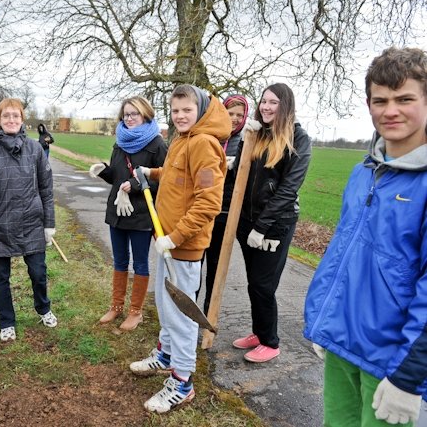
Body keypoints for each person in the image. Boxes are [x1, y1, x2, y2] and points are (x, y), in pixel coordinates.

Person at [304, 47, 427, 426]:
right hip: (343, 346)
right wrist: (326, 322)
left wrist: (410, 377)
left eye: (405, 99)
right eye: (380, 100)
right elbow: (342, 251)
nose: (390, 110)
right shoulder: (363, 172)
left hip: (394, 364)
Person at [129, 84, 230, 413]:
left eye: (187, 110)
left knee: (181, 317)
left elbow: (208, 203)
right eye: (175, 111)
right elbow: (174, 175)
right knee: (165, 306)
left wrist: (176, 237)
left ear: (200, 110)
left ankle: (182, 382)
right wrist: (151, 172)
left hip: (181, 248)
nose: (180, 116)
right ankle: (165, 355)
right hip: (167, 243)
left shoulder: (203, 144)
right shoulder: (181, 140)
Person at [231, 83, 311, 363]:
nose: (266, 106)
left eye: (273, 102)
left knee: (264, 285)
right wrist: (244, 142)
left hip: (274, 226)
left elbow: (288, 190)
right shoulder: (258, 134)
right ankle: (258, 331)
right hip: (247, 223)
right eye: (263, 101)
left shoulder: (298, 139)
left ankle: (271, 342)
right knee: (254, 283)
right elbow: (242, 174)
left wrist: (262, 227)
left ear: (285, 105)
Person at [0, 98, 57, 342]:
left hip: (31, 222)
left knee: (38, 272)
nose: (11, 120)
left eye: (16, 116)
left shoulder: (35, 149)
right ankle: (6, 322)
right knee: (1, 278)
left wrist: (49, 224)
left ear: (22, 119)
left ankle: (43, 308)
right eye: (6, 116)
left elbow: (46, 189)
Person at [88, 96, 167, 331]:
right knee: (120, 260)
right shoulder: (119, 142)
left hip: (141, 214)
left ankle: (136, 312)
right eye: (126, 114)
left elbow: (164, 181)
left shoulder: (157, 144)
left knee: (140, 262)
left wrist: (135, 185)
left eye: (135, 114)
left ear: (145, 114)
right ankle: (116, 306)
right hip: (117, 212)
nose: (130, 118)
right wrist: (105, 172)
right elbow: (117, 177)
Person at [198, 95, 260, 315]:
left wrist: (235, 170)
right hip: (204, 210)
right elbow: (202, 174)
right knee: (195, 264)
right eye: (230, 113)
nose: (234, 119)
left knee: (215, 267)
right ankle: (188, 317)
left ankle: (208, 315)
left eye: (239, 115)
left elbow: (248, 180)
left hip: (225, 213)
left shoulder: (246, 141)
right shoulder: (211, 137)